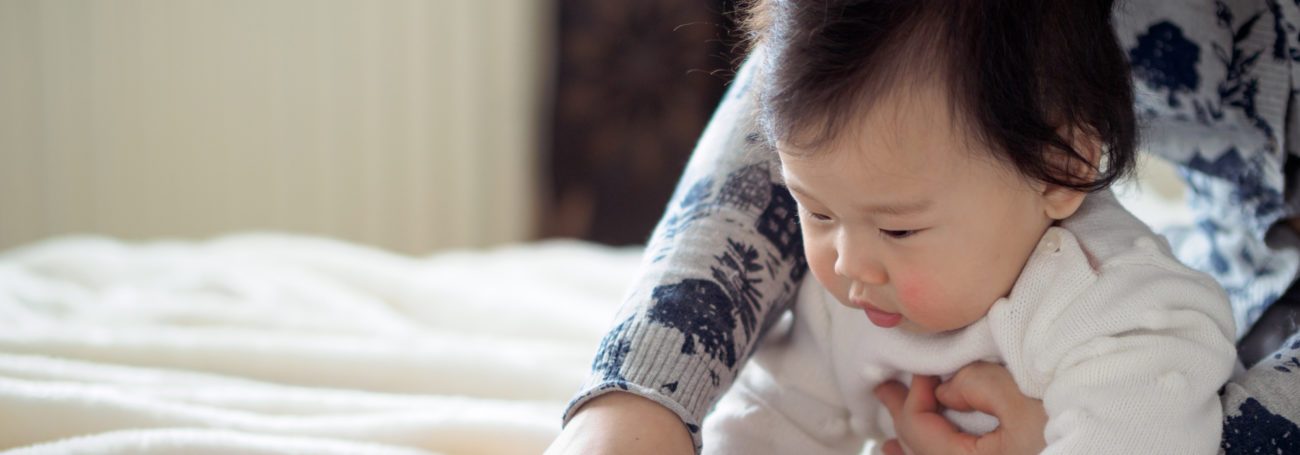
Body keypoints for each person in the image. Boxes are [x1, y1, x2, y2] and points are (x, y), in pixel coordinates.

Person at [546, 0, 1300, 453]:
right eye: (818, 211)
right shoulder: (850, 290)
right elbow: (772, 419)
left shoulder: (1119, 314)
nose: (847, 262)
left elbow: (1149, 426)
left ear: (1063, 167)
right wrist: (640, 398)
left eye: (899, 229)